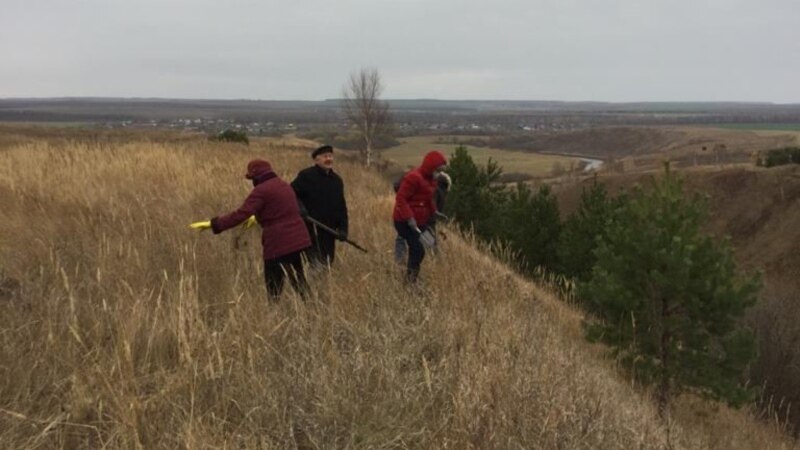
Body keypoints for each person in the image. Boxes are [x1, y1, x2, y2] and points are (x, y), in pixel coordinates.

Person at [190, 159, 311, 301]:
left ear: (256, 176)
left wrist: (213, 224)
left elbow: (241, 214)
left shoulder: (261, 190)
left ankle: (274, 313)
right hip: (298, 240)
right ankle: (311, 309)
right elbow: (280, 210)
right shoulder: (284, 185)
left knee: (273, 286)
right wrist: (258, 218)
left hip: (278, 243)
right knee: (299, 280)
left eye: (252, 178)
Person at [393, 150, 448, 283]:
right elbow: (401, 198)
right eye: (438, 170)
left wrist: (434, 212)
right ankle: (410, 281)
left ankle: (411, 277)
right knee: (418, 249)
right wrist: (409, 217)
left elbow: (428, 199)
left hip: (420, 221)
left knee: (428, 244)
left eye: (441, 171)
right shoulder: (413, 178)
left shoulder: (432, 182)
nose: (439, 174)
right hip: (404, 221)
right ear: (431, 167)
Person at [291, 145, 349, 267]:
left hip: (329, 231)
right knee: (314, 265)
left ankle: (323, 285)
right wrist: (300, 208)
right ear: (316, 160)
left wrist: (343, 229)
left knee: (327, 263)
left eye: (330, 156)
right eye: (325, 156)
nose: (328, 159)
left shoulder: (337, 181)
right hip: (310, 229)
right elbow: (291, 194)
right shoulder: (306, 176)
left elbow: (341, 207)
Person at [394, 170, 451, 263]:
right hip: (422, 222)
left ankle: (400, 263)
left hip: (411, 219)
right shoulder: (438, 192)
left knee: (402, 239)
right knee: (431, 245)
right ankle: (439, 265)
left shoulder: (428, 188)